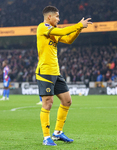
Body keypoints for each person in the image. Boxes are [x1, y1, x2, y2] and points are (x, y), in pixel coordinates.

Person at [35, 6, 92, 146]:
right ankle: (46, 137)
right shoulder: (42, 27)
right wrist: (78, 24)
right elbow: (63, 31)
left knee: (67, 101)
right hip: (45, 72)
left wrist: (79, 29)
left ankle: (58, 133)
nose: (59, 19)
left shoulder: (53, 32)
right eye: (57, 16)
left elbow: (68, 39)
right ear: (49, 17)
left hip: (56, 72)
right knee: (48, 103)